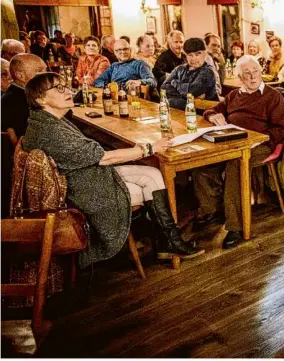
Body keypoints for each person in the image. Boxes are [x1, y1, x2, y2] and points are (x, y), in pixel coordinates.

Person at [21, 72, 203, 268]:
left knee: (153, 174)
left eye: (65, 86)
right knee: (149, 179)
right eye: (58, 88)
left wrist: (141, 149)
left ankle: (168, 242)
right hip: (87, 190)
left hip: (86, 175)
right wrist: (149, 148)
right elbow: (104, 158)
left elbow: (94, 156)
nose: (67, 91)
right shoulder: (51, 132)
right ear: (40, 99)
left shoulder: (47, 121)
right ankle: (167, 242)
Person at [193, 55, 284, 249]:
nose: (252, 77)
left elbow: (280, 130)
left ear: (261, 72)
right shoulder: (234, 95)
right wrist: (214, 115)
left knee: (236, 165)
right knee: (200, 162)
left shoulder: (273, 96)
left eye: (255, 72)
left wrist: (254, 140)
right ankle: (212, 209)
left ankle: (235, 225)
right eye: (247, 74)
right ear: (239, 77)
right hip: (231, 142)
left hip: (261, 145)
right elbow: (210, 111)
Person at [1, 54, 47, 217]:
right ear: (20, 76)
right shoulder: (14, 100)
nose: (45, 75)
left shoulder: (22, 94)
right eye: (39, 71)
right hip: (35, 162)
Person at [162, 38, 217, 110]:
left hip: (204, 114)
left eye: (197, 54)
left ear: (205, 53)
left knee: (170, 102)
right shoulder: (179, 69)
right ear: (185, 55)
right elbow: (163, 88)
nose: (194, 58)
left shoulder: (208, 71)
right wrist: (189, 96)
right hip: (181, 113)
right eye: (190, 55)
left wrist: (175, 83)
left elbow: (192, 91)